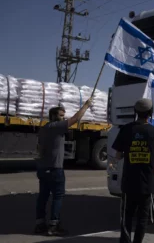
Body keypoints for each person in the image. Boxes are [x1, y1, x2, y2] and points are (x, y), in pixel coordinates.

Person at [112, 98, 154, 243]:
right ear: (150, 113)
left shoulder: (126, 129)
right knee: (143, 218)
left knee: (127, 216)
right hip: (147, 183)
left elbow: (117, 156)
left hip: (129, 181)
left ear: (135, 112)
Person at [34, 98, 92, 236]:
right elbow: (76, 118)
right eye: (61, 115)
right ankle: (54, 225)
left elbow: (39, 149)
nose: (63, 118)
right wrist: (86, 105)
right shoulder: (56, 126)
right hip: (55, 169)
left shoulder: (44, 129)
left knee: (43, 196)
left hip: (43, 168)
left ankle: (39, 224)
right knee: (57, 196)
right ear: (53, 116)